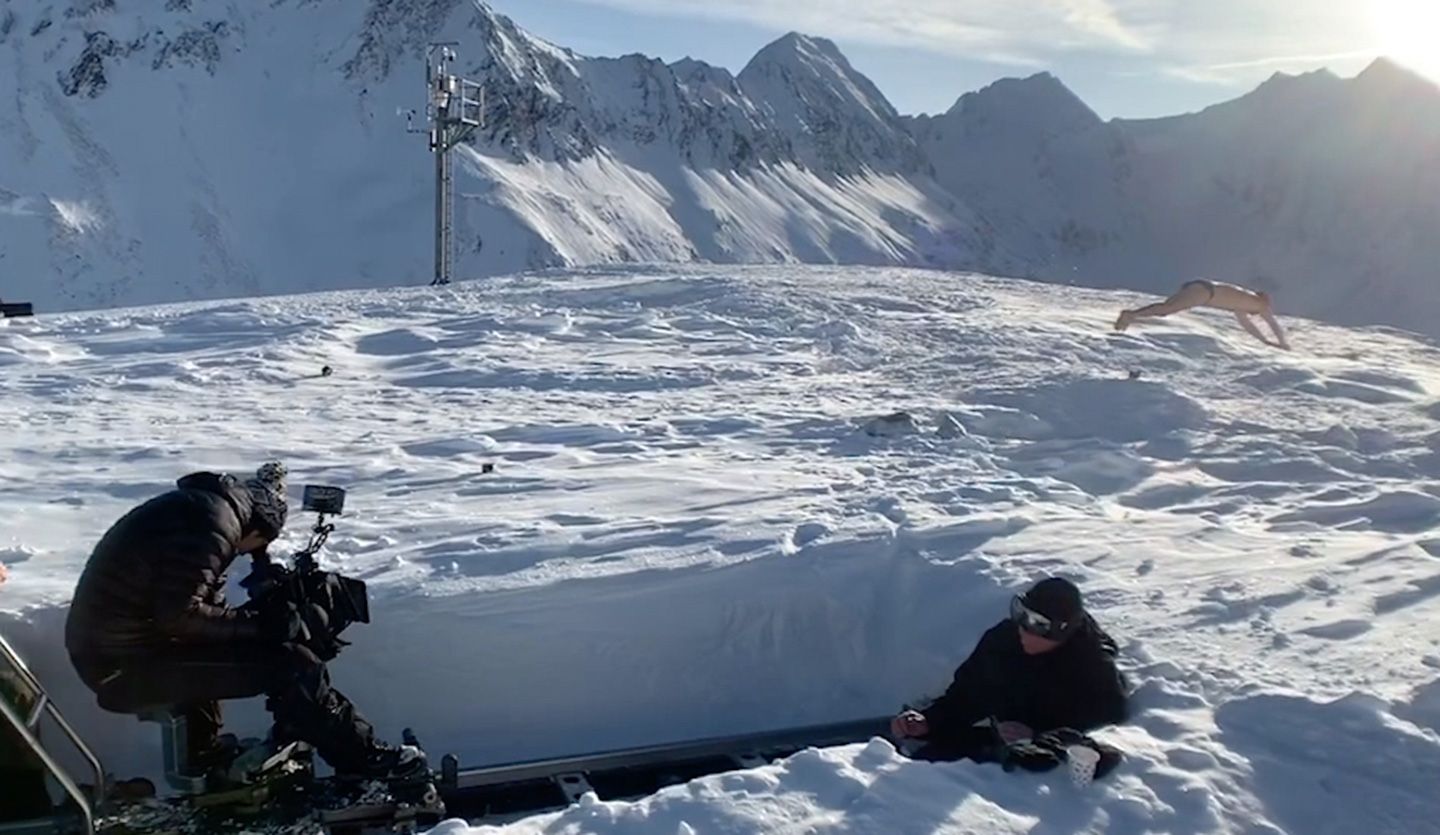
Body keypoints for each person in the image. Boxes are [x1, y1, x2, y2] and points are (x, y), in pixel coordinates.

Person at [64, 462, 426, 784]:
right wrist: (263, 626)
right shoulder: (212, 523)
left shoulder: (201, 510)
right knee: (294, 664)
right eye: (258, 546)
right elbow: (181, 616)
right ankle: (364, 759)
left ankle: (218, 760)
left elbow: (199, 607)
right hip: (124, 665)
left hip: (117, 653)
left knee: (274, 654)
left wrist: (258, 621)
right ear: (259, 529)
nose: (246, 552)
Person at [890, 577, 1127, 763]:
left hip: (1030, 772)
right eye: (1021, 613)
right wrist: (928, 720)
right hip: (991, 738)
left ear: (1061, 630)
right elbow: (966, 697)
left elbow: (1106, 719)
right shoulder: (1003, 641)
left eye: (1038, 624)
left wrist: (1039, 735)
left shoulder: (1090, 664)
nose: (1023, 628)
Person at [1115, 279, 1290, 349]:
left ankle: (1131, 317)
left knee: (1166, 308)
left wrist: (1264, 341)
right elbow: (1273, 324)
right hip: (1204, 293)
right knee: (1166, 309)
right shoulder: (1259, 304)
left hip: (1201, 288)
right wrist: (1283, 344)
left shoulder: (1242, 305)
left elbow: (1248, 326)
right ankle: (1130, 315)